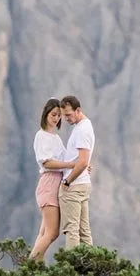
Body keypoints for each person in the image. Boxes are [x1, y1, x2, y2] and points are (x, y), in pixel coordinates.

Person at [29, 99, 74, 261]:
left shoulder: (55, 137)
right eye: (53, 115)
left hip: (55, 184)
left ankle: (34, 268)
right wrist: (71, 164)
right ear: (46, 113)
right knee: (52, 233)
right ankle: (30, 265)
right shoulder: (41, 136)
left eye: (59, 116)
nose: (56, 119)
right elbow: (47, 162)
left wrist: (80, 165)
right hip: (49, 183)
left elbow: (67, 158)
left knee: (43, 233)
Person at [58, 95, 95, 249]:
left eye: (68, 115)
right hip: (82, 183)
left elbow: (83, 161)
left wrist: (67, 181)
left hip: (74, 186)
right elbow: (83, 160)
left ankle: (71, 269)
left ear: (78, 110)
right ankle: (90, 267)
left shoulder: (82, 130)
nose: (66, 119)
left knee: (71, 230)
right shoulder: (84, 127)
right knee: (84, 231)